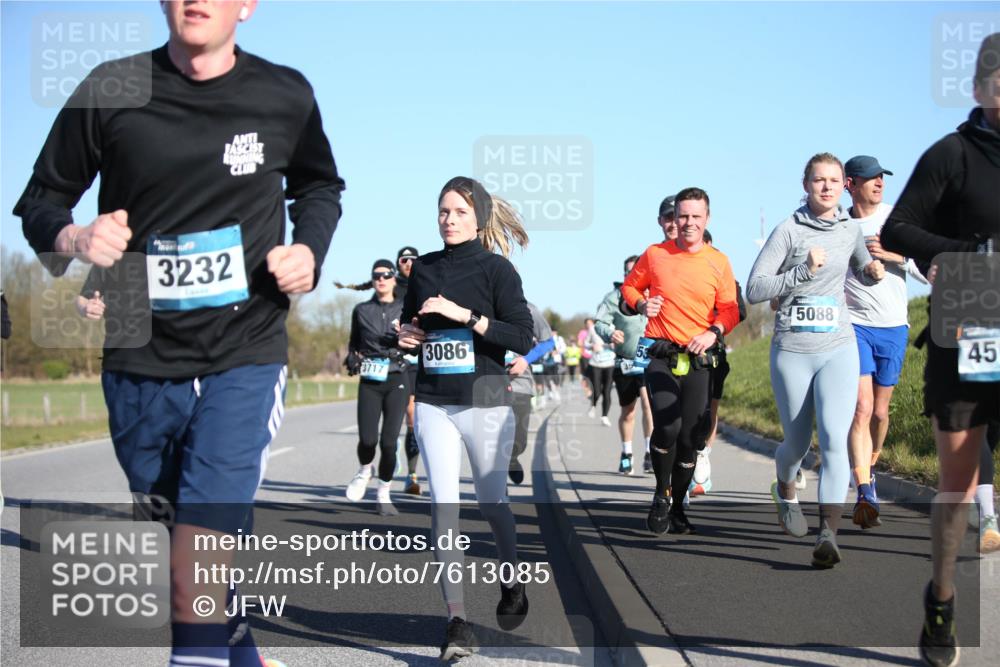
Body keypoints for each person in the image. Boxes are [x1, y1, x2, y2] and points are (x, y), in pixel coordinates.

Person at [14, 3, 345, 667]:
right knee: (180, 538)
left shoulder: (284, 94)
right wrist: (76, 236)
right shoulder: (111, 90)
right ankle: (240, 652)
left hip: (244, 345)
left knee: (199, 545)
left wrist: (308, 249)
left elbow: (320, 187)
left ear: (247, 5)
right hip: (139, 348)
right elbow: (40, 202)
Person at [880, 37, 1000, 657]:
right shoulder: (952, 155)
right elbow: (897, 228)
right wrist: (969, 254)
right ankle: (943, 598)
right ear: (980, 91)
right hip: (974, 321)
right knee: (957, 481)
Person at [397, 176, 533, 661]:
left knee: (492, 503)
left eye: (457, 212)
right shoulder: (423, 270)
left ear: (477, 216)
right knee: (443, 508)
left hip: (487, 399)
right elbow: (414, 327)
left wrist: (465, 316)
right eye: (442, 212)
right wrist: (409, 337)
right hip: (434, 399)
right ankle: (456, 621)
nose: (448, 220)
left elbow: (520, 335)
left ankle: (512, 577)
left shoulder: (497, 271)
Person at [747, 153, 885, 569]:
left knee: (834, 439)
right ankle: (785, 489)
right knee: (797, 443)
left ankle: (829, 533)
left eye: (833, 180)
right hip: (792, 350)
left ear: (844, 185)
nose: (825, 186)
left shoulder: (849, 229)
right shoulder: (787, 231)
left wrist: (872, 271)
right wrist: (801, 273)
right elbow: (754, 289)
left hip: (839, 346)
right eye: (817, 180)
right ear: (805, 186)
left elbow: (860, 265)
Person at [622, 187, 740, 535]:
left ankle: (676, 508)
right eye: (682, 216)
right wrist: (642, 305)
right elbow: (629, 289)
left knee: (690, 437)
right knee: (668, 426)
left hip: (699, 357)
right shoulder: (656, 254)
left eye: (695, 217)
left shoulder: (718, 261)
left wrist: (713, 332)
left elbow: (730, 309)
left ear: (707, 219)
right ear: (675, 218)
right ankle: (661, 493)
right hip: (661, 353)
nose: (687, 223)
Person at [841, 155, 928, 529]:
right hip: (854, 326)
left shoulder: (897, 218)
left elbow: (927, 272)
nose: (879, 183)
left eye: (881, 177)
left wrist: (894, 257)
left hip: (893, 326)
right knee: (861, 409)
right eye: (870, 178)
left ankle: (872, 462)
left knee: (879, 412)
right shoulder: (839, 224)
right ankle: (864, 490)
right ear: (851, 184)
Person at [342, 260, 411, 516]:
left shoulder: (405, 308)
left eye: (386, 275)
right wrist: (351, 357)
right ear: (372, 280)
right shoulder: (361, 310)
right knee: (368, 440)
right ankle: (364, 471)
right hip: (370, 380)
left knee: (389, 442)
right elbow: (353, 344)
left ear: (394, 279)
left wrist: (404, 341)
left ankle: (384, 492)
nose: (381, 279)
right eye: (376, 276)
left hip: (397, 377)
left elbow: (416, 342)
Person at [693, 229, 748, 495]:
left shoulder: (725, 275)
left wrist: (715, 325)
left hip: (714, 352)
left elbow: (740, 311)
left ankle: (702, 456)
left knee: (709, 408)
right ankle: (683, 466)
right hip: (679, 351)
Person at [595, 254, 653, 474]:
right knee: (628, 411)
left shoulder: (654, 293)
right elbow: (600, 322)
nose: (633, 275)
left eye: (637, 271)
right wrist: (610, 333)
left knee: (649, 404)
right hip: (625, 361)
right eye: (629, 272)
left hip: (649, 359)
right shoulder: (614, 297)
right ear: (625, 274)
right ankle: (626, 453)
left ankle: (650, 452)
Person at [507, 301, 555, 484]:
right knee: (489, 440)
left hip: (520, 381)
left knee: (520, 439)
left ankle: (512, 458)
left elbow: (548, 342)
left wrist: (526, 360)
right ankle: (496, 494)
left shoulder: (527, 309)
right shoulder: (478, 304)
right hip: (488, 380)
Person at [396, 245, 423, 495]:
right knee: (401, 416)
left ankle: (411, 473)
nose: (409, 263)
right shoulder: (389, 287)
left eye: (414, 259)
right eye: (404, 259)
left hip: (418, 362)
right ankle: (389, 446)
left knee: (413, 417)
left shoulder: (426, 283)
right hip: (394, 362)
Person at [584, 318, 615, 425]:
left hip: (610, 364)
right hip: (596, 364)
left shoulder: (614, 328)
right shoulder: (593, 329)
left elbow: (621, 344)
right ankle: (593, 405)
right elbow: (586, 343)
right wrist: (592, 346)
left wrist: (615, 345)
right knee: (596, 390)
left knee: (607, 391)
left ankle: (604, 416)